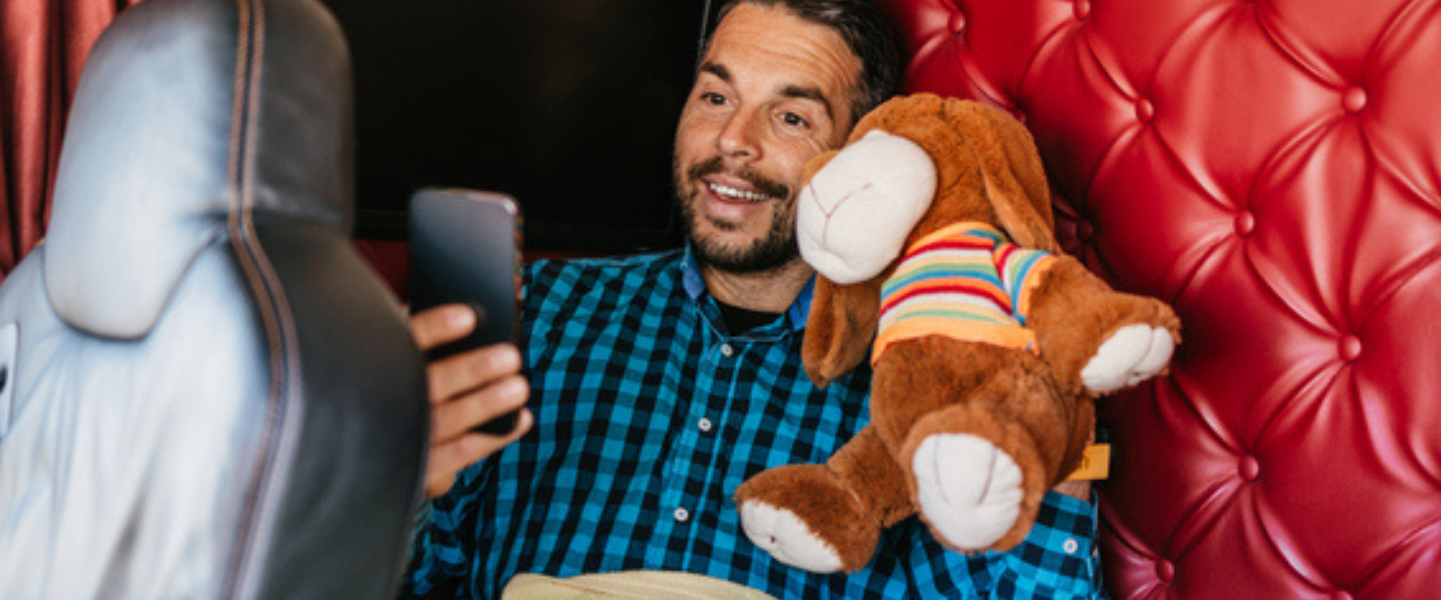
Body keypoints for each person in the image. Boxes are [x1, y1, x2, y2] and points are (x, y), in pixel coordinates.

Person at [400, 0, 1102, 597]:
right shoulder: (542, 314)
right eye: (715, 97)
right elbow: (424, 577)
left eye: (791, 117)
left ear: (860, 160)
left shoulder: (921, 380)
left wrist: (1042, 411)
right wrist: (394, 475)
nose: (733, 141)